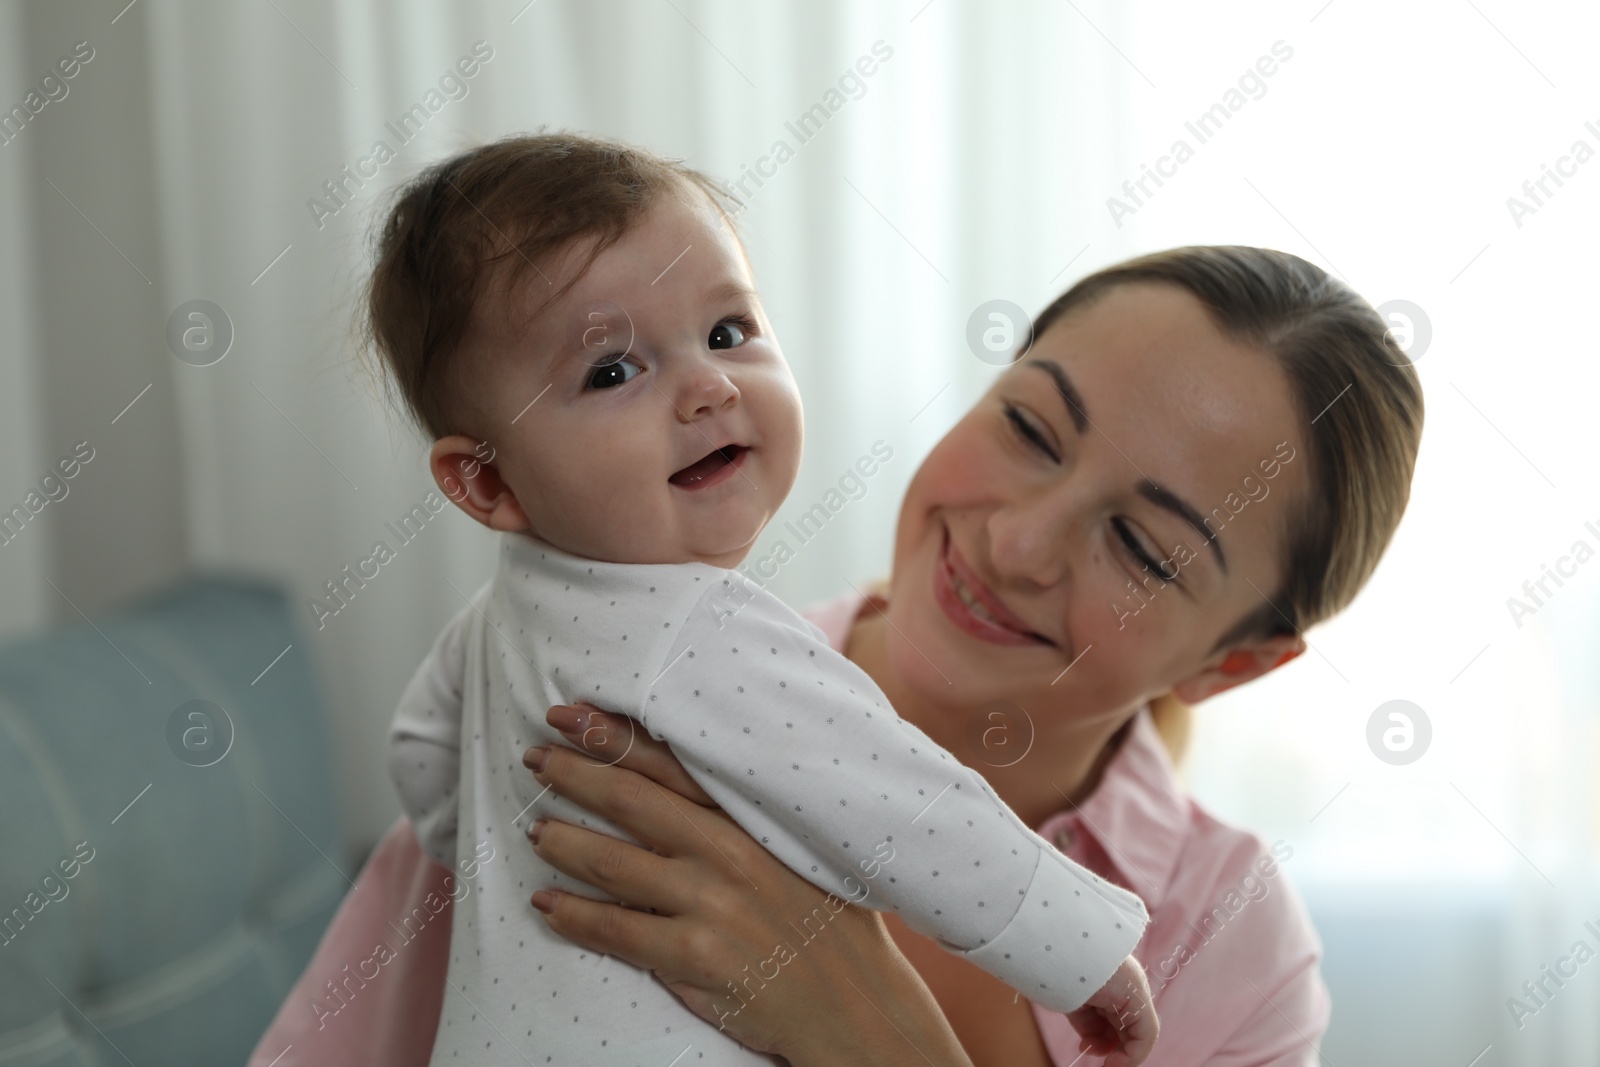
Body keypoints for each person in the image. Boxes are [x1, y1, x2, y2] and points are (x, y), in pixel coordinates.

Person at [250, 241, 1423, 1066]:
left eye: (1144, 546)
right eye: (1026, 426)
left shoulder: (1230, 949)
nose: (1017, 541)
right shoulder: (599, 708)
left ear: (1232, 663)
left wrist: (879, 1040)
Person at [367, 132, 1154, 1066]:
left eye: (727, 331)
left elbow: (419, 750)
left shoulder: (501, 618)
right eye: (612, 371)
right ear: (485, 483)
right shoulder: (705, 631)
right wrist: (1088, 956)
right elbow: (905, 802)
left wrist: (514, 852)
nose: (707, 386)